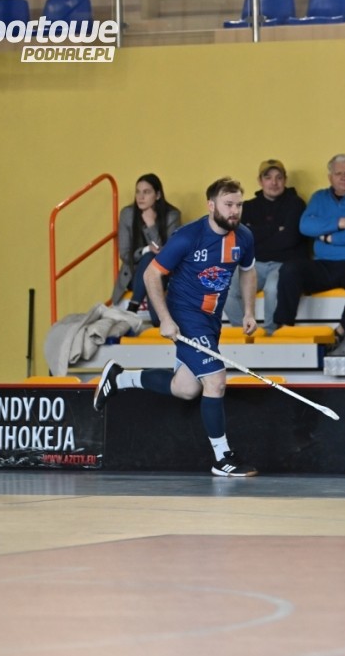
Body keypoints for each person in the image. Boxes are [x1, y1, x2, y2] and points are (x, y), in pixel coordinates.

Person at [93, 177, 260, 477]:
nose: (235, 211)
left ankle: (119, 378)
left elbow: (248, 271)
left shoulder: (244, 237)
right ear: (211, 206)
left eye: (239, 205)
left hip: (211, 320)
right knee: (215, 380)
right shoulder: (188, 237)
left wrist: (249, 311)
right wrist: (166, 318)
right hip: (185, 315)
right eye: (228, 205)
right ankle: (223, 458)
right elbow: (151, 275)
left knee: (186, 388)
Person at [274, 154, 345, 347]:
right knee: (290, 269)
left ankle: (340, 333)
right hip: (324, 265)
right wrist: (340, 222)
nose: (344, 177)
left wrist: (329, 238)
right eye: (338, 173)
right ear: (330, 177)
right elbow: (305, 226)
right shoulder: (319, 198)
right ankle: (284, 328)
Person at [223, 159, 308, 334]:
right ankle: (247, 334)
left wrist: (257, 235)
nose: (274, 182)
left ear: (285, 180)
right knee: (224, 286)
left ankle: (269, 335)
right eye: (268, 177)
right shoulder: (247, 207)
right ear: (260, 181)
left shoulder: (296, 204)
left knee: (272, 289)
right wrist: (276, 230)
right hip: (254, 265)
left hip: (283, 265)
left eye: (279, 177)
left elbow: (290, 239)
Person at [111, 174, 182, 326]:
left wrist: (151, 225)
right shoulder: (128, 214)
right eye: (138, 192)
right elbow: (124, 254)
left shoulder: (172, 216)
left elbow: (167, 254)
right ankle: (153, 318)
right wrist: (145, 250)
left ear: (158, 195)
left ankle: (134, 306)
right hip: (134, 275)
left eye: (146, 192)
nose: (140, 197)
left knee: (152, 261)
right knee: (149, 256)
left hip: (163, 273)